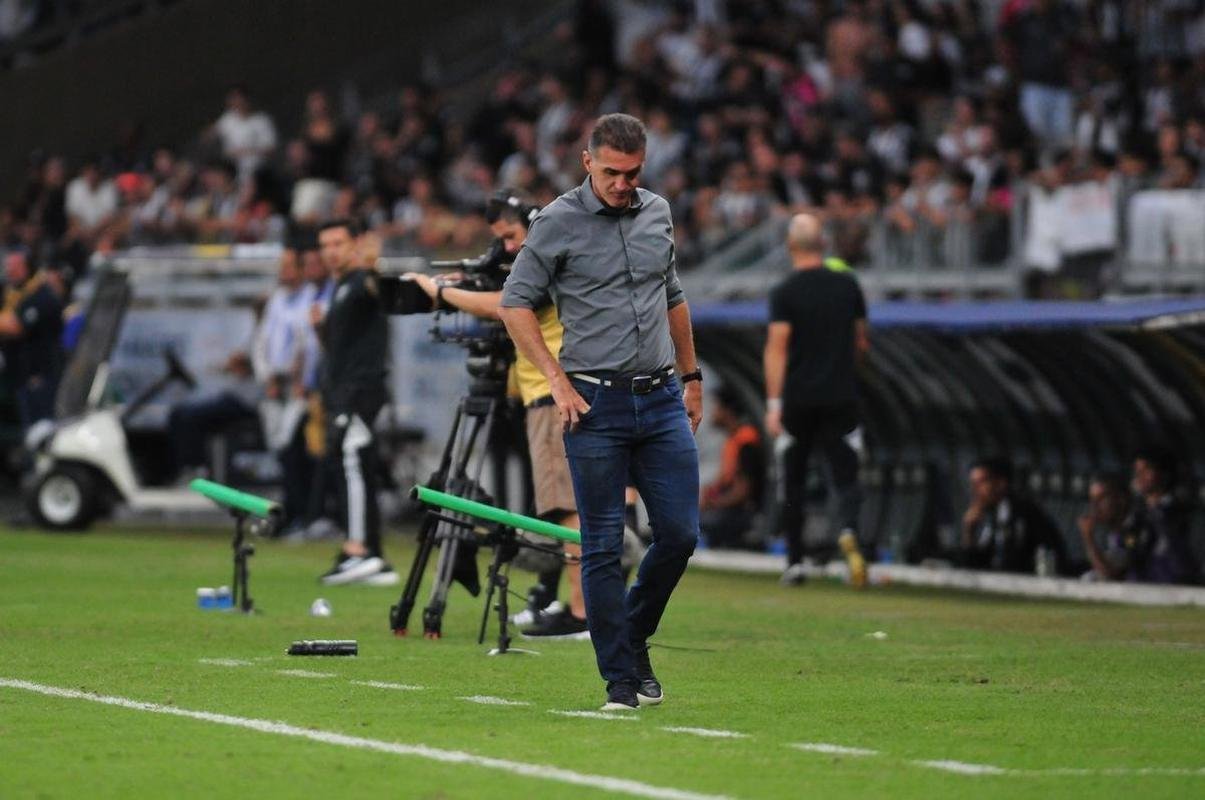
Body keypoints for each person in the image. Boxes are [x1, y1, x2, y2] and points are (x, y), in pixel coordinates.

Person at [499, 113, 703, 711]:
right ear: (587, 162)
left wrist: (692, 379)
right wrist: (558, 383)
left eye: (633, 173)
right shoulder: (557, 222)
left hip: (663, 397)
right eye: (612, 172)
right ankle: (620, 678)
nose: (623, 184)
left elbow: (673, 296)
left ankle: (632, 636)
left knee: (680, 535)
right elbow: (515, 305)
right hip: (594, 403)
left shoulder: (658, 212)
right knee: (602, 545)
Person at [403, 188, 589, 639]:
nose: (507, 247)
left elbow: (507, 304)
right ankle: (579, 605)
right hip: (550, 390)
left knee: (567, 509)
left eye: (511, 236)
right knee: (566, 505)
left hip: (552, 392)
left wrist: (442, 293)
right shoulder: (548, 248)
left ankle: (583, 613)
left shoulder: (545, 253)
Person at [764, 213, 869, 588]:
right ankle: (847, 530)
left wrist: (774, 403)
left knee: (793, 479)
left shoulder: (785, 292)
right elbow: (860, 342)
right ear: (823, 244)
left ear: (791, 247)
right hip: (841, 395)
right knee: (846, 475)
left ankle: (794, 561)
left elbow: (778, 348)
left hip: (798, 399)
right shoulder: (848, 286)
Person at [314, 220, 397, 586]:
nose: (331, 250)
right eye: (325, 245)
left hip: (359, 391)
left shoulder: (361, 281)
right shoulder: (340, 287)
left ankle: (359, 550)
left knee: (352, 462)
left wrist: (372, 267)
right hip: (342, 392)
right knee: (352, 464)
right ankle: (369, 550)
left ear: (355, 244)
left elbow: (377, 293)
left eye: (338, 242)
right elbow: (340, 349)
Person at [959, 457, 1067, 575]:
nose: (974, 490)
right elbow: (974, 568)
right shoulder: (988, 515)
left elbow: (1009, 564)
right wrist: (969, 532)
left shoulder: (1022, 513)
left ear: (1001, 483)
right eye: (973, 483)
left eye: (981, 482)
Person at [0, 249, 65, 429]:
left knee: (40, 428)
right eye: (8, 267)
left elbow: (16, 327)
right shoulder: (15, 296)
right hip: (22, 375)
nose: (10, 272)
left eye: (15, 267)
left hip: (40, 376)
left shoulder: (42, 296)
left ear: (29, 268)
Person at [700, 384, 765, 549]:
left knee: (694, 523)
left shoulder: (746, 442)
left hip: (744, 514)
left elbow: (743, 491)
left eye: (716, 407)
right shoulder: (732, 440)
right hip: (730, 510)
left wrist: (714, 504)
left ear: (728, 411)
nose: (712, 413)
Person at [1127, 448, 1200, 585]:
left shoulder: (1182, 511)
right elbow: (1130, 543)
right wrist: (1129, 542)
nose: (1139, 476)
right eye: (1137, 471)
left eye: (1146, 470)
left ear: (1165, 474)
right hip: (1139, 584)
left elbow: (1185, 555)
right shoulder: (1138, 514)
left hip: (1173, 585)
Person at [1077, 472, 1132, 582]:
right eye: (1092, 500)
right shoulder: (1110, 533)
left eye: (1101, 498)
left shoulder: (1132, 531)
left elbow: (1109, 574)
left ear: (1121, 499)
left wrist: (1088, 538)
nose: (1094, 506)